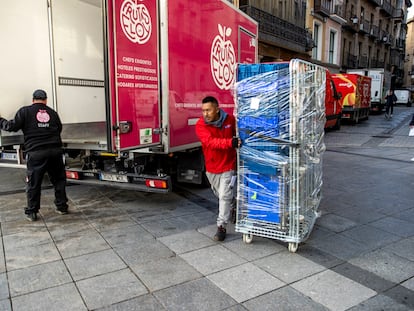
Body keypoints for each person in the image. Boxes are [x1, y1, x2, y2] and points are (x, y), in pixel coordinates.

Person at [0, 89, 68, 221]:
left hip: (36, 152)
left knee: (34, 183)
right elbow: (59, 128)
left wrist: (0, 120)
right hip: (55, 151)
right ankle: (62, 207)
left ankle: (32, 212)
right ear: (46, 100)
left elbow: (11, 126)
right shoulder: (53, 113)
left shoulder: (25, 111)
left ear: (33, 100)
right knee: (59, 180)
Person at [195, 96, 240, 241]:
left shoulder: (229, 120)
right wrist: (230, 142)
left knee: (224, 196)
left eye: (208, 110)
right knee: (219, 194)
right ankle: (234, 205)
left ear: (217, 109)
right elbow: (210, 142)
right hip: (212, 167)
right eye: (203, 111)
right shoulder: (201, 125)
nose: (205, 114)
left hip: (228, 164)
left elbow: (237, 134)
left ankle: (221, 226)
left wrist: (237, 141)